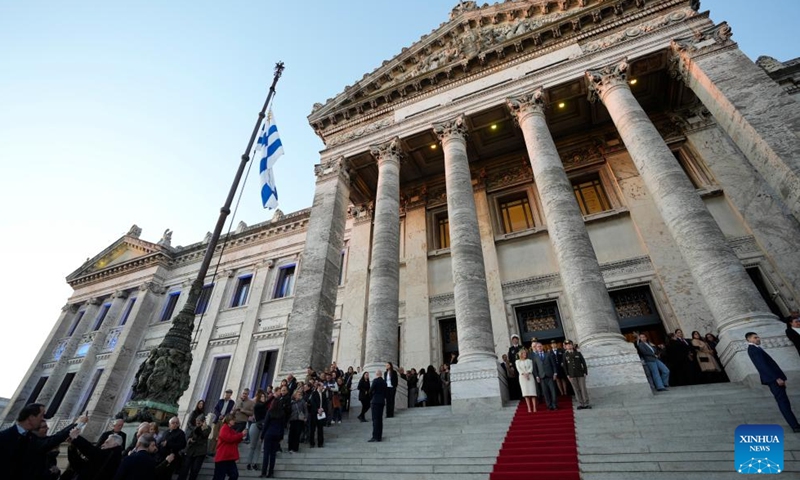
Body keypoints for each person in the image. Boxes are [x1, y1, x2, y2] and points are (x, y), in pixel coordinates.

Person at [0, 403, 81, 480]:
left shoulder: (29, 436)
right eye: (41, 415)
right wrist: (77, 423)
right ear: (31, 417)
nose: (43, 419)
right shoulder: (4, 437)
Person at [745, 332, 800, 432]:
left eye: (758, 336)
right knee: (783, 402)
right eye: (755, 337)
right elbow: (763, 366)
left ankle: (795, 424)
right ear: (749, 339)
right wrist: (776, 378)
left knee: (784, 401)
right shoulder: (753, 350)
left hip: (774, 378)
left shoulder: (756, 348)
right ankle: (795, 426)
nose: (758, 338)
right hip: (773, 379)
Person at [259, 388, 288, 479]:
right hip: (277, 434)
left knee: (266, 454)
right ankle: (270, 472)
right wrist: (281, 436)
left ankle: (263, 472)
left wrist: (262, 435)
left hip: (269, 434)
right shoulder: (282, 413)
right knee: (273, 454)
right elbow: (283, 425)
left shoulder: (270, 412)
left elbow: (266, 424)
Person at [177, 414, 210, 480]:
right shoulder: (194, 428)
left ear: (203, 421)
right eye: (196, 421)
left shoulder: (207, 428)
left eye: (199, 421)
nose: (197, 422)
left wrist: (202, 427)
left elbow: (204, 434)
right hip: (190, 450)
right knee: (184, 469)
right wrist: (190, 440)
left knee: (195, 470)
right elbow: (189, 437)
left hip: (200, 452)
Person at [212, 414, 246, 480]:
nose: (234, 421)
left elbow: (235, 439)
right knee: (219, 477)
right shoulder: (224, 428)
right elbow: (229, 438)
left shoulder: (231, 430)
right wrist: (241, 434)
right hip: (222, 457)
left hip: (229, 458)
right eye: (233, 420)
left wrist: (242, 436)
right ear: (229, 420)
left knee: (234, 475)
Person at [563, 340, 591, 410]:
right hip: (572, 375)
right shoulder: (565, 355)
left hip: (580, 373)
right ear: (565, 347)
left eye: (570, 344)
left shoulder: (578, 353)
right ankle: (581, 403)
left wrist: (585, 372)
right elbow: (565, 366)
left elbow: (583, 362)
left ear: (572, 345)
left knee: (583, 388)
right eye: (567, 345)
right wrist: (567, 375)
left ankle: (586, 402)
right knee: (576, 389)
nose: (569, 346)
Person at [532, 342, 558, 410]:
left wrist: (555, 373)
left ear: (542, 347)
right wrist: (537, 376)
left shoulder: (548, 354)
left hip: (550, 376)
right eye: (538, 347)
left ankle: (554, 405)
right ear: (536, 348)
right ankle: (549, 406)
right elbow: (535, 368)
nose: (539, 348)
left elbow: (553, 365)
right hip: (542, 377)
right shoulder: (535, 357)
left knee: (553, 391)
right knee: (545, 392)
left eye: (540, 346)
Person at [245, 389, 267, 471]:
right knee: (253, 445)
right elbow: (262, 406)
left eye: (264, 397)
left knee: (258, 446)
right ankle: (248, 463)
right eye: (261, 396)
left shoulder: (265, 407)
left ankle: (254, 463)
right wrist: (273, 397)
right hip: (255, 425)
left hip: (262, 426)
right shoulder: (257, 405)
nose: (263, 398)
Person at [515, 349, 537, 413]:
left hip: (530, 377)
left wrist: (528, 373)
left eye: (525, 353)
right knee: (526, 394)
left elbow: (531, 368)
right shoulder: (517, 361)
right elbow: (519, 369)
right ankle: (529, 408)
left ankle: (534, 408)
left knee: (533, 393)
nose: (525, 354)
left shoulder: (529, 361)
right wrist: (524, 374)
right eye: (523, 353)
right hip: (522, 378)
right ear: (520, 354)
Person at [369, 369, 387, 442]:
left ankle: (375, 436)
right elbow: (386, 392)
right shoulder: (384, 382)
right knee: (380, 419)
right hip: (382, 402)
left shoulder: (375, 381)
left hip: (375, 401)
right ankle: (379, 436)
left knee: (375, 419)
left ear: (377, 374)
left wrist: (372, 395)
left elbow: (370, 390)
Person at [308, 382, 328, 448]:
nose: (323, 387)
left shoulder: (324, 394)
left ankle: (320, 443)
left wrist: (322, 409)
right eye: (322, 386)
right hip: (314, 414)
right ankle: (312, 443)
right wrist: (317, 409)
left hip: (321, 413)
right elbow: (312, 403)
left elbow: (325, 403)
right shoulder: (313, 394)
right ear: (318, 386)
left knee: (320, 429)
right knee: (312, 429)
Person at [287, 389, 307, 453]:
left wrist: (305, 417)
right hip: (292, 419)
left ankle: (295, 448)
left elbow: (305, 410)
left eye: (300, 394)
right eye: (298, 394)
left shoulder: (302, 402)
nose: (299, 395)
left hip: (299, 420)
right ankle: (290, 448)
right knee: (291, 434)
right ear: (295, 395)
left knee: (297, 434)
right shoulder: (291, 402)